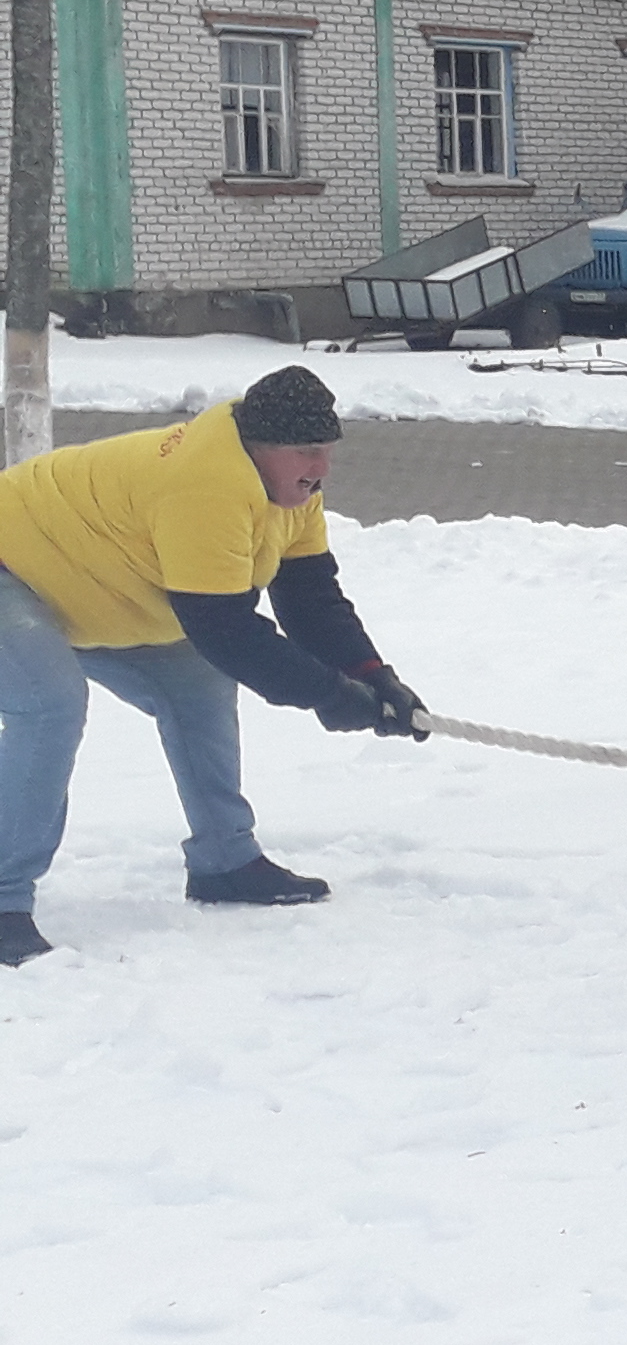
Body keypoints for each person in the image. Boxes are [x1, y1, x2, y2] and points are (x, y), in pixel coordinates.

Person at [0, 366, 427, 962]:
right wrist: (329, 694)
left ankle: (225, 863)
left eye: (327, 451)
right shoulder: (206, 484)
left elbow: (309, 596)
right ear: (261, 447)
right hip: (11, 567)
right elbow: (225, 629)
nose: (322, 467)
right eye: (308, 452)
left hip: (90, 586)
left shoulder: (291, 493)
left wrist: (370, 674)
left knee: (199, 683)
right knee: (50, 704)